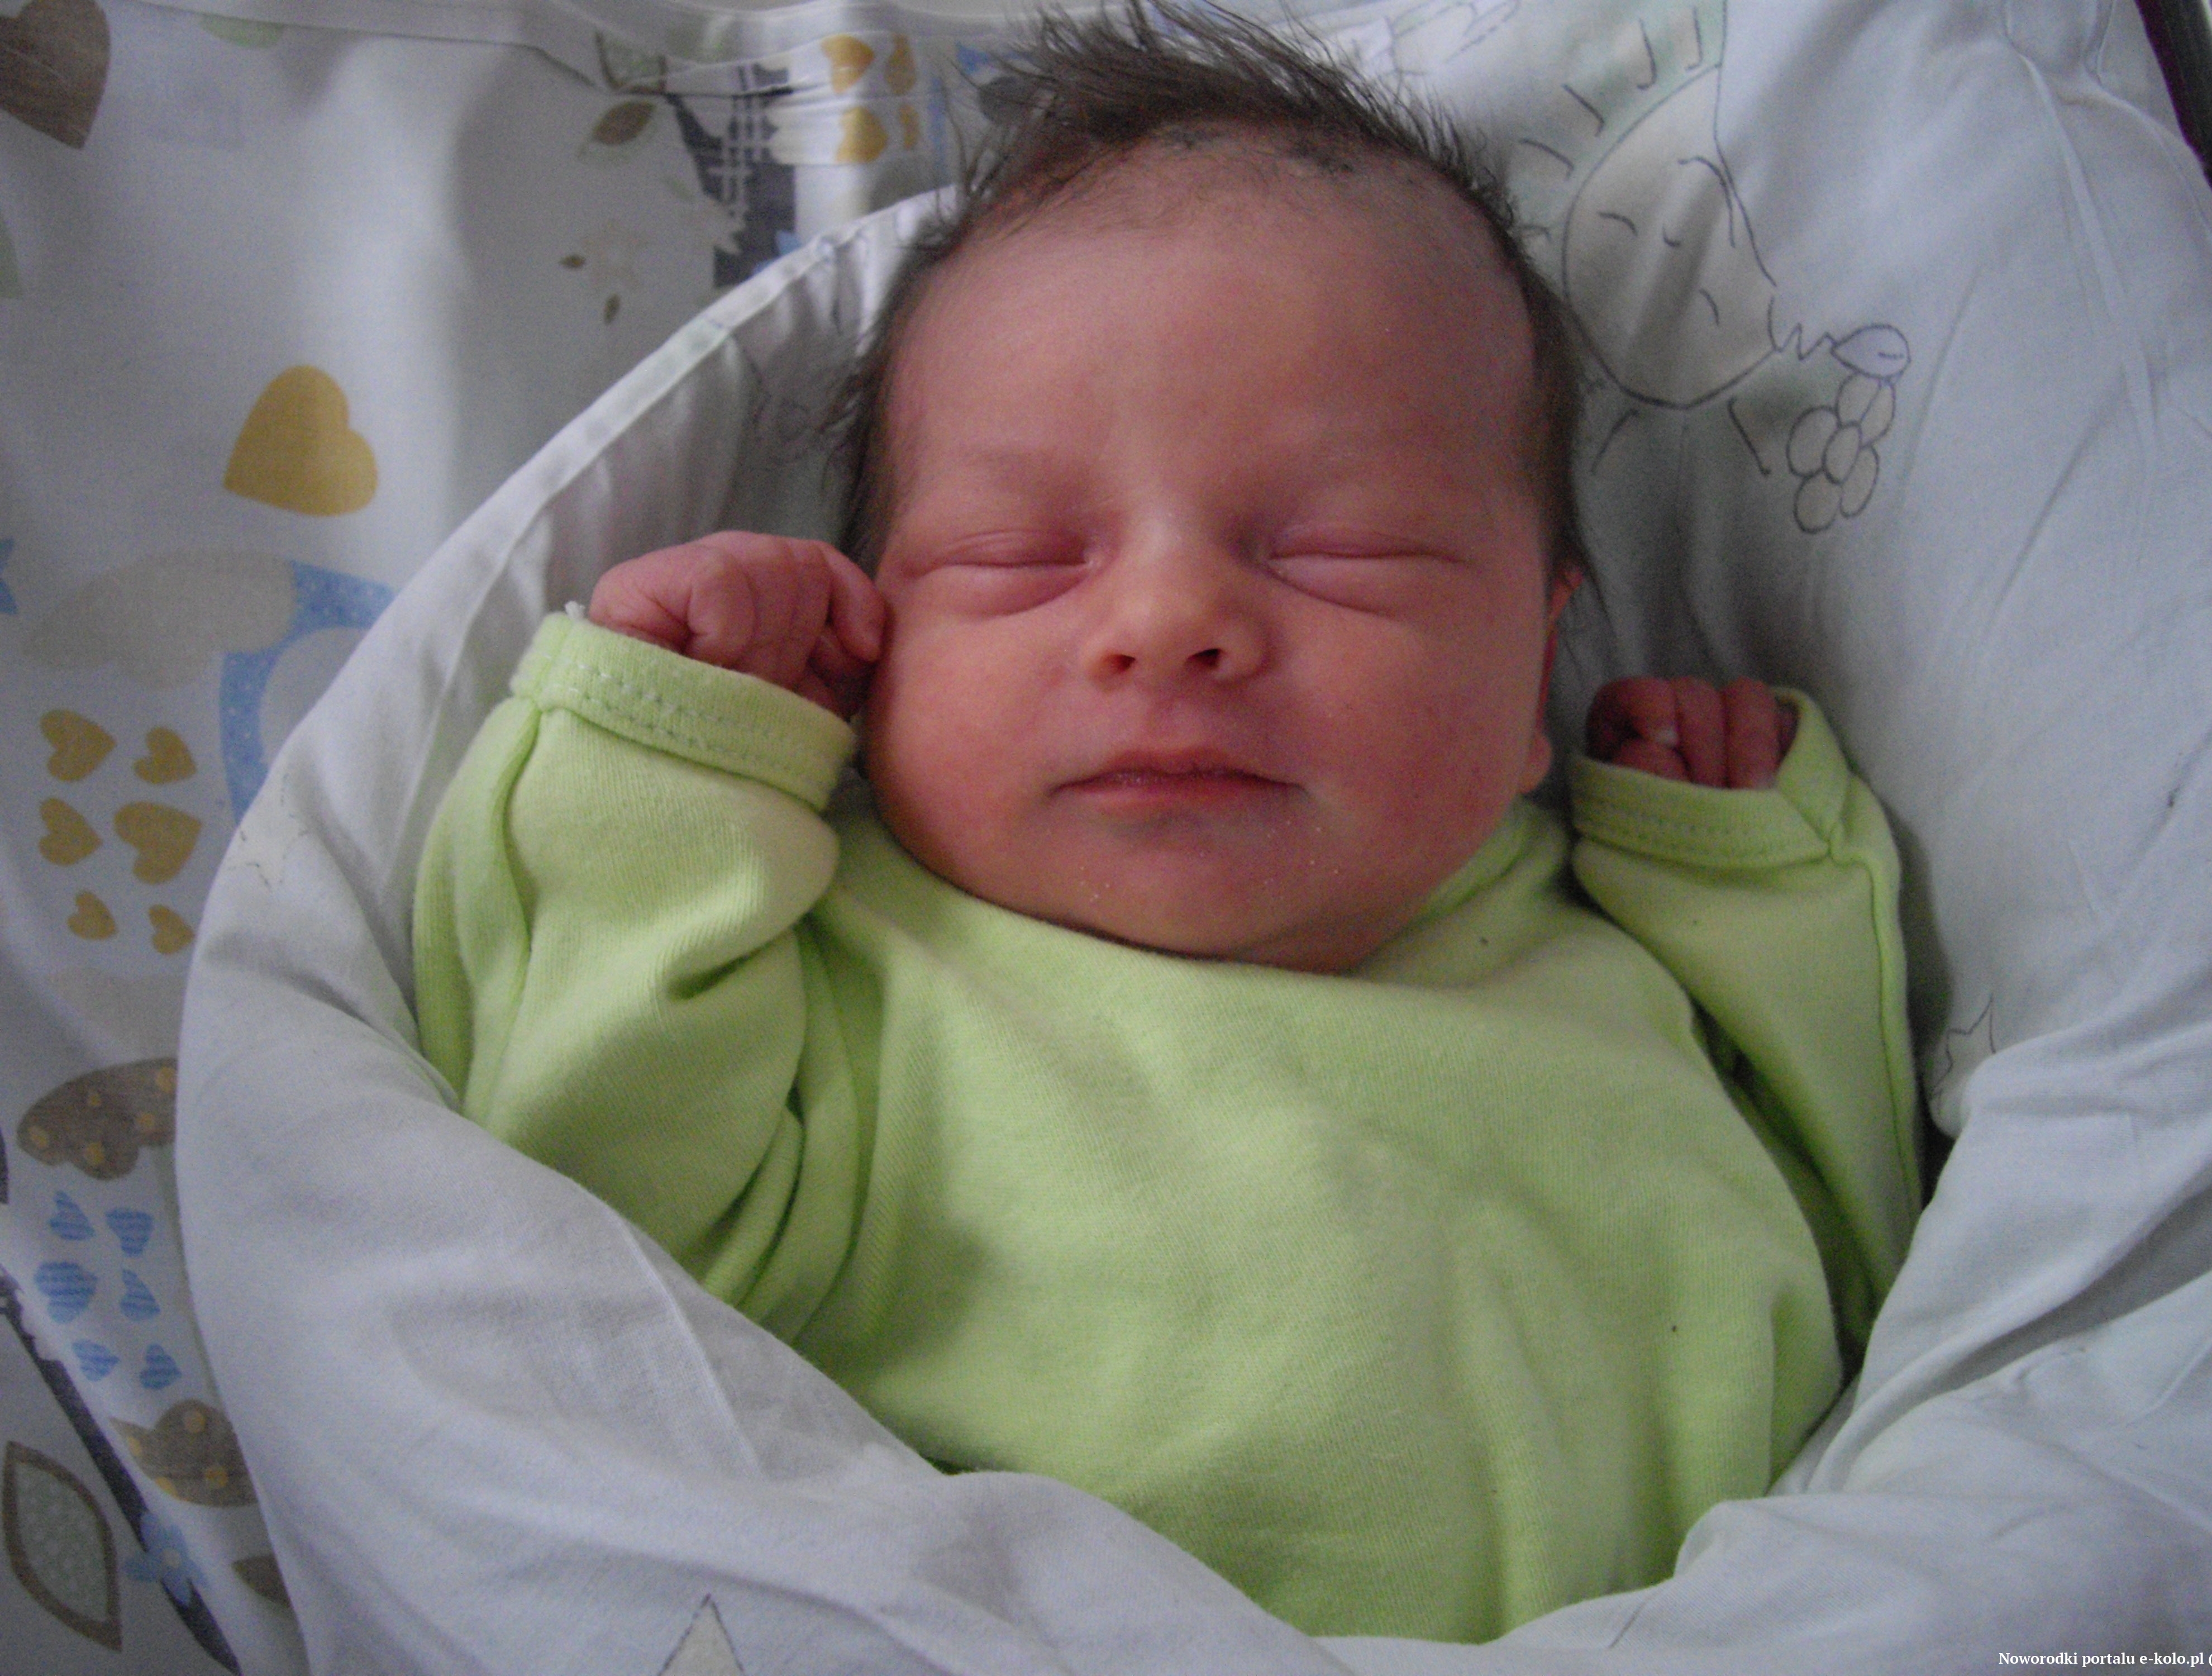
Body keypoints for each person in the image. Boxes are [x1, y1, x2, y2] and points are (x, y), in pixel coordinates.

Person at [411, 3, 1918, 1644]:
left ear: (1537, 658)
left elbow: (1870, 1254)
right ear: (875, 631)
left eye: (1342, 550)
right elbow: (578, 1217)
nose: (1166, 623)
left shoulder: (1630, 971)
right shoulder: (836, 977)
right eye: (1019, 558)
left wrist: (1746, 893)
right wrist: (679, 764)